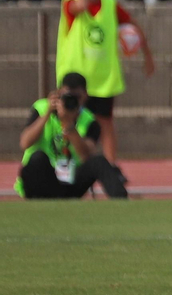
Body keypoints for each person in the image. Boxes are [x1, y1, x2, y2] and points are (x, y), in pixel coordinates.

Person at [56, 0, 154, 163]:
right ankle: (66, 163)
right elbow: (79, 6)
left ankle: (111, 166)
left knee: (105, 123)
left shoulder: (109, 5)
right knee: (68, 120)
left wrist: (148, 56)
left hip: (102, 79)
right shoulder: (69, 2)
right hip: (75, 79)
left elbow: (134, 27)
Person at [16, 72, 128, 200]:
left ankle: (122, 203)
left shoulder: (89, 120)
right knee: (37, 158)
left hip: (70, 182)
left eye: (77, 97)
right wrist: (47, 113)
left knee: (99, 161)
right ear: (58, 94)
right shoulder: (41, 108)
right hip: (42, 181)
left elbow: (86, 155)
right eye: (67, 96)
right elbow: (24, 143)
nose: (72, 101)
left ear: (85, 96)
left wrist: (69, 125)